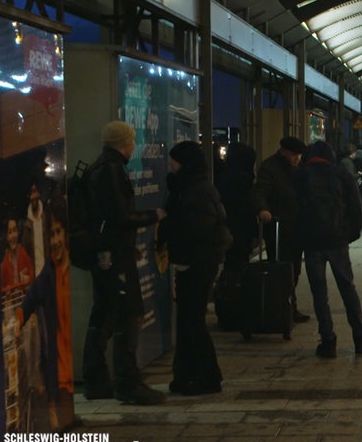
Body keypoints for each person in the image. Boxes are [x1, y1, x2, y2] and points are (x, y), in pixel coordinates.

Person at [82, 120, 166, 405]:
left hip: (105, 252)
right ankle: (128, 383)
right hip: (114, 255)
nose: (134, 145)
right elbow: (119, 217)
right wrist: (154, 216)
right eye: (131, 140)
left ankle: (95, 380)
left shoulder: (100, 167)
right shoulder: (112, 171)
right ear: (124, 142)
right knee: (130, 313)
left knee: (104, 312)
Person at [160, 141, 232, 395]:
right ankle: (185, 375)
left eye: (174, 161)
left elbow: (196, 230)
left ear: (186, 163)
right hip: (193, 261)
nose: (171, 165)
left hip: (197, 263)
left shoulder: (196, 191)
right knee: (188, 321)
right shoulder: (188, 187)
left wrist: (167, 223)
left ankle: (208, 377)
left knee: (193, 322)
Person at [293, 140, 362, 358]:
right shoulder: (342, 174)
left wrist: (301, 238)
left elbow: (294, 210)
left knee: (319, 294)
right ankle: (360, 339)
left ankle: (328, 341)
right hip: (337, 242)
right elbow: (357, 209)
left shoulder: (301, 175)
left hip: (312, 244)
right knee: (348, 288)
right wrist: (349, 235)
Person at [21, 198, 72, 428]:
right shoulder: (48, 274)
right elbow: (30, 298)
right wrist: (18, 318)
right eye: (51, 235)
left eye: (58, 233)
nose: (54, 241)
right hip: (60, 376)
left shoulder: (75, 271)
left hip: (74, 372)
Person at [252, 136, 310, 323]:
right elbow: (260, 191)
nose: (297, 159)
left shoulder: (299, 168)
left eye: (299, 155)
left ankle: (290, 307)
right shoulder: (270, 167)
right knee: (279, 268)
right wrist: (263, 209)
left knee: (294, 269)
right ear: (283, 151)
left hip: (297, 226)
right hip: (277, 227)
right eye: (294, 155)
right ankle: (279, 308)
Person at [214, 142, 258, 329]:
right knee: (236, 269)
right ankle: (232, 312)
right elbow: (243, 209)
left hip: (230, 230)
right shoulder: (242, 180)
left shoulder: (224, 176)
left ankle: (228, 312)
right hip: (238, 232)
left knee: (231, 268)